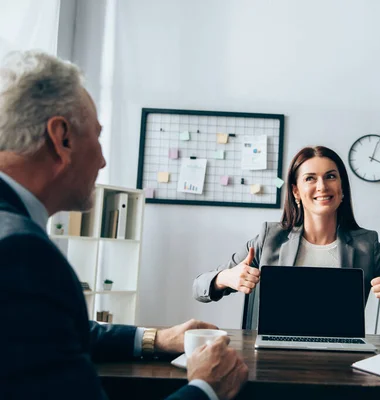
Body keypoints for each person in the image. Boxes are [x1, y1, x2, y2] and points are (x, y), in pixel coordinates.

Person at [0, 51, 248, 400]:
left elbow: (59, 331)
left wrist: (156, 338)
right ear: (62, 138)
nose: (102, 160)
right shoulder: (20, 252)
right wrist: (206, 388)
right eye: (98, 137)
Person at [193, 146, 380, 329]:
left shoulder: (366, 245)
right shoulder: (270, 239)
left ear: (341, 189)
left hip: (341, 358)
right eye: (310, 178)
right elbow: (199, 287)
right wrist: (226, 277)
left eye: (330, 176)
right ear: (296, 190)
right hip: (272, 357)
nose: (322, 186)